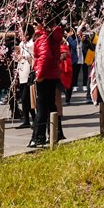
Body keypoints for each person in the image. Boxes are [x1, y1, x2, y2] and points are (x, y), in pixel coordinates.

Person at [29, 13, 63, 147]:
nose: (33, 26)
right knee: (50, 106)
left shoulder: (43, 38)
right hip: (52, 74)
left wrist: (39, 75)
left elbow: (44, 58)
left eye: (34, 23)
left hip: (45, 76)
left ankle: (39, 137)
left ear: (41, 24)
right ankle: (56, 133)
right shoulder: (51, 36)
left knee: (42, 107)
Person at [14, 25, 36, 129]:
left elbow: (34, 58)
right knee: (24, 98)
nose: (20, 35)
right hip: (21, 71)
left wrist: (25, 56)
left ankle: (34, 118)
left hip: (28, 72)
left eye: (21, 33)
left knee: (26, 97)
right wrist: (17, 57)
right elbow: (19, 58)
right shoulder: (21, 44)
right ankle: (27, 120)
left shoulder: (32, 44)